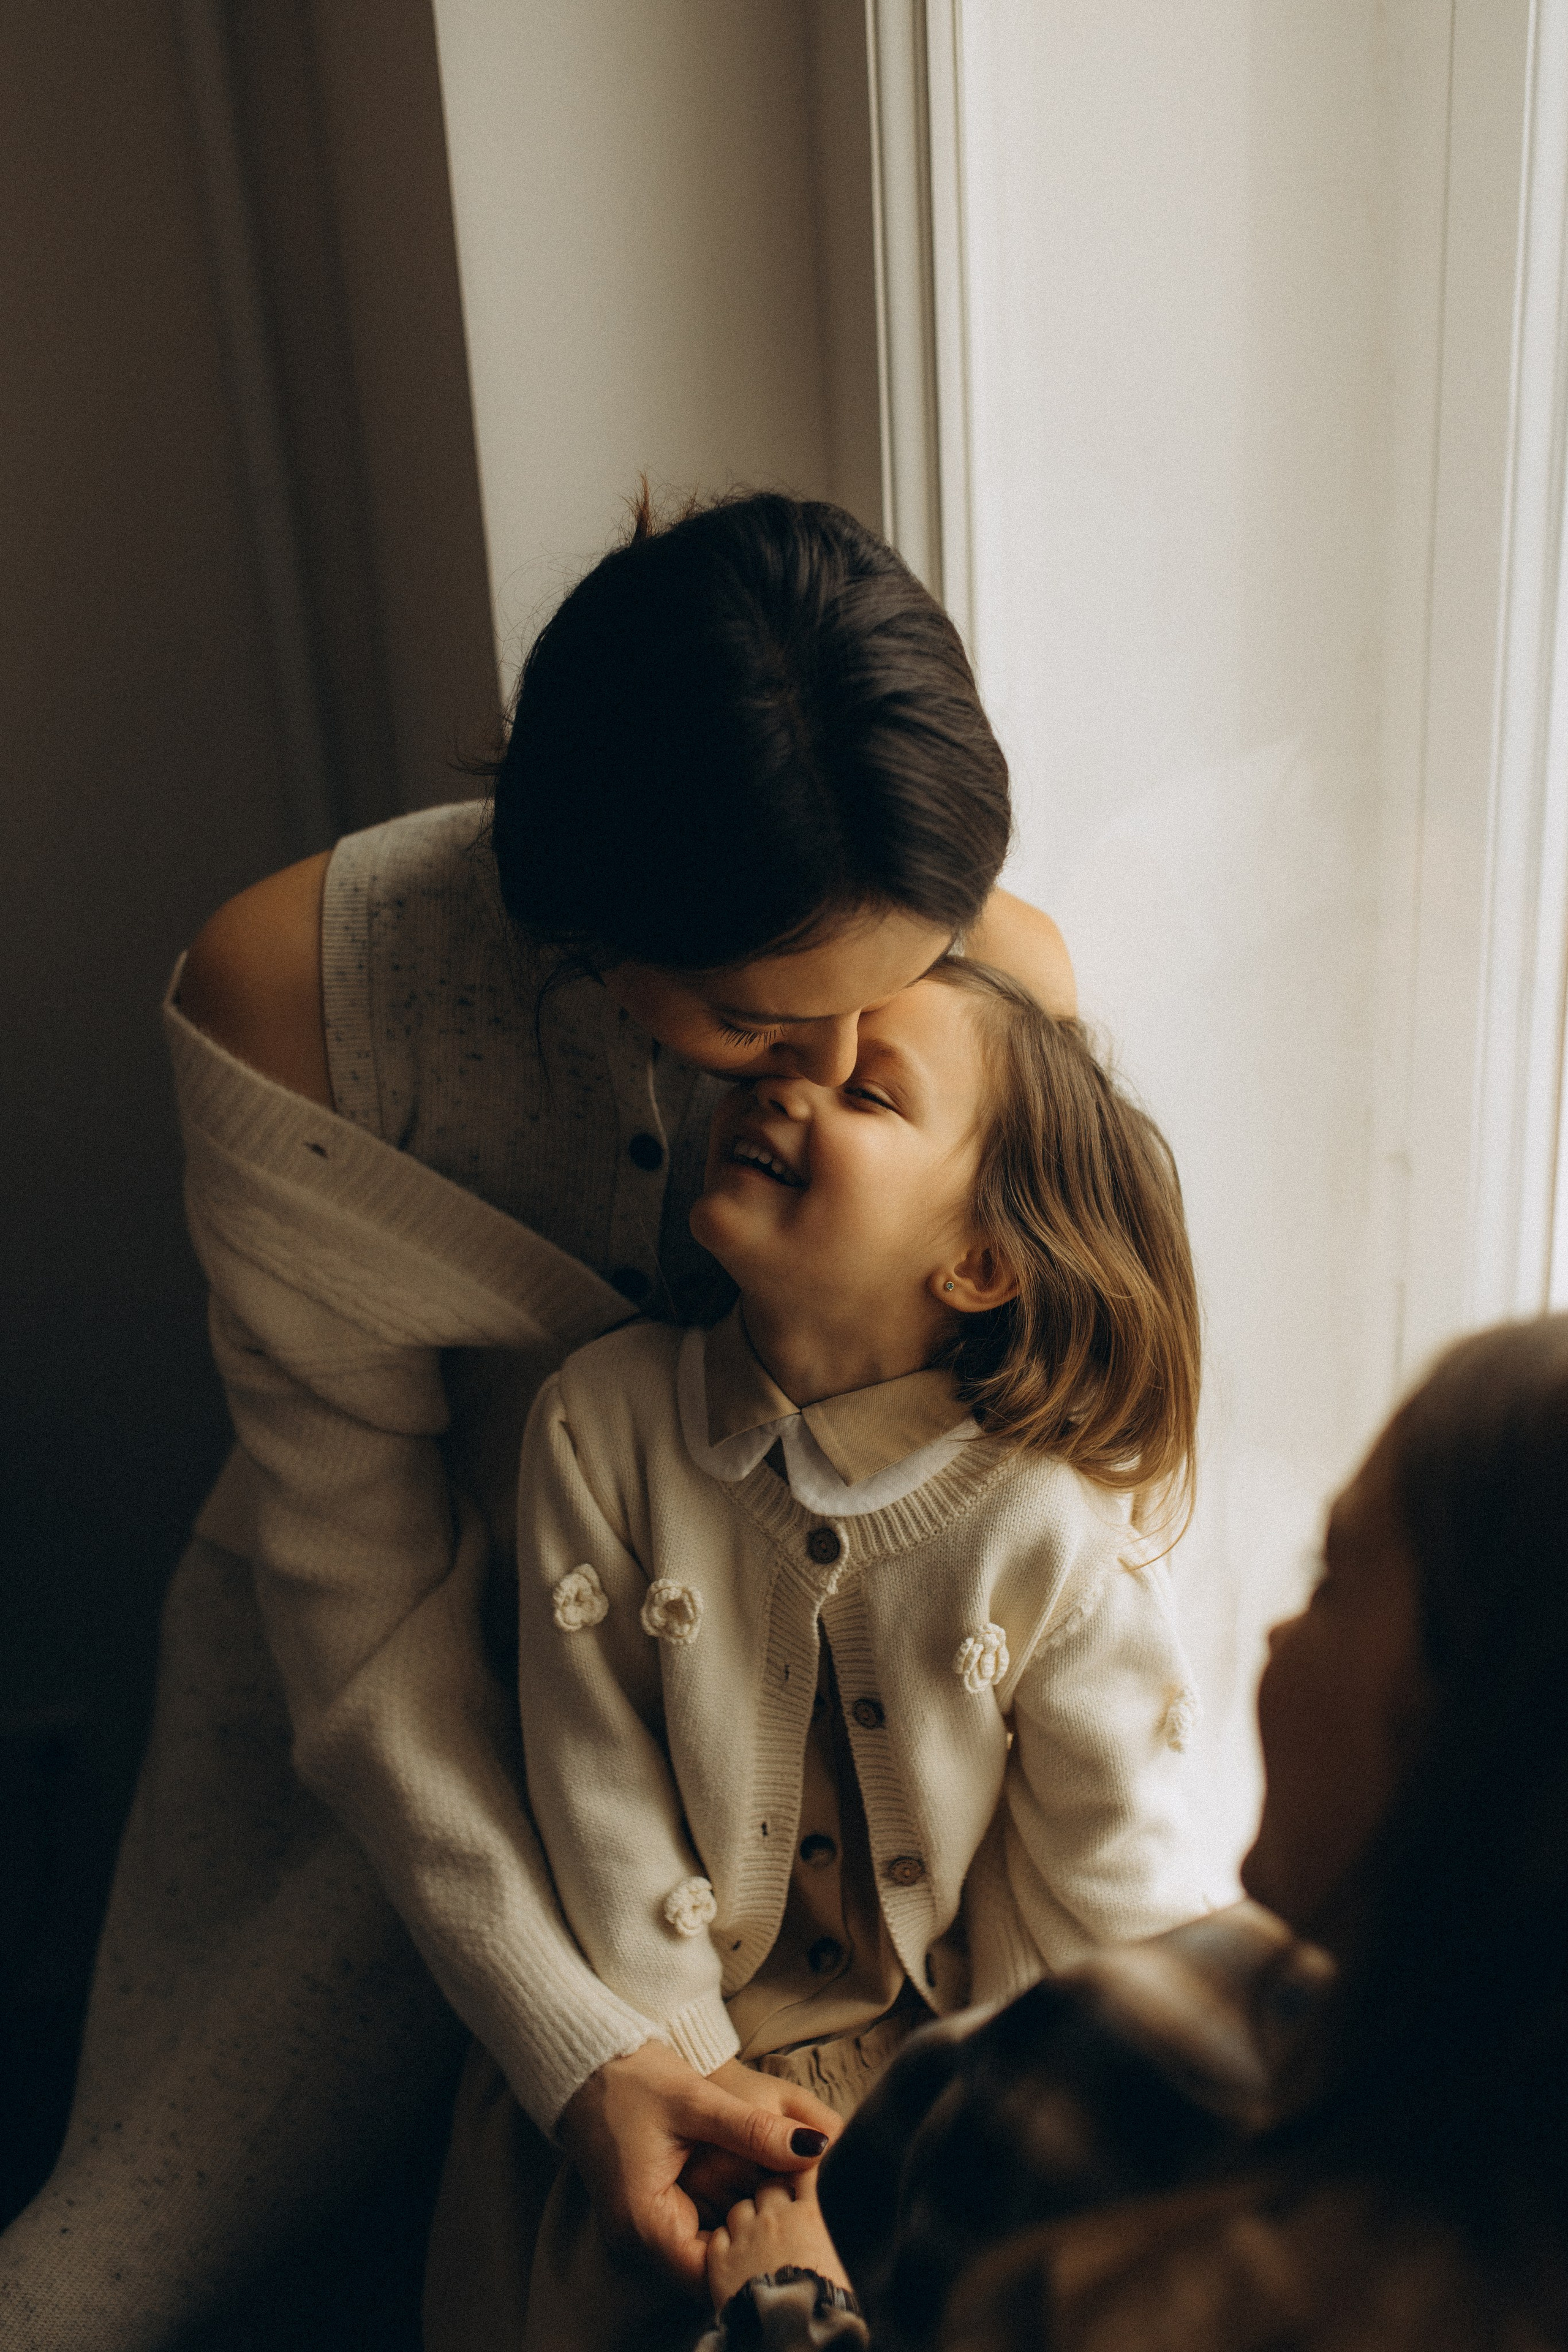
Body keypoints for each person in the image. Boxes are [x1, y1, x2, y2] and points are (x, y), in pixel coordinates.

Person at [0, 491, 1076, 2352]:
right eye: (757, 1025)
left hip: (806, 1752)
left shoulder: (990, 975)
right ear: (583, 927)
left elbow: (1027, 1465)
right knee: (104, 2282)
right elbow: (357, 1611)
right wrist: (591, 2052)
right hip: (386, 1707)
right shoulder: (295, 1001)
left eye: (883, 1006)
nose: (831, 1068)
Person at [429, 959, 1212, 2348]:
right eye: (779, 1059)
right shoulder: (600, 1426)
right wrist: (692, 2072)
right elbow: (594, 1790)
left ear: (977, 1264)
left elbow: (1102, 1867)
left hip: (922, 2080)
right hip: (657, 2059)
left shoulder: (1047, 1525)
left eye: (867, 1093)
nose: (782, 1089)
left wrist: (1065, 2134)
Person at [702, 1314, 1568, 2352]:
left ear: (1486, 1732)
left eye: (1329, 1579)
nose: (1276, 1632)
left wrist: (786, 2308)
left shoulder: (1093, 2107)